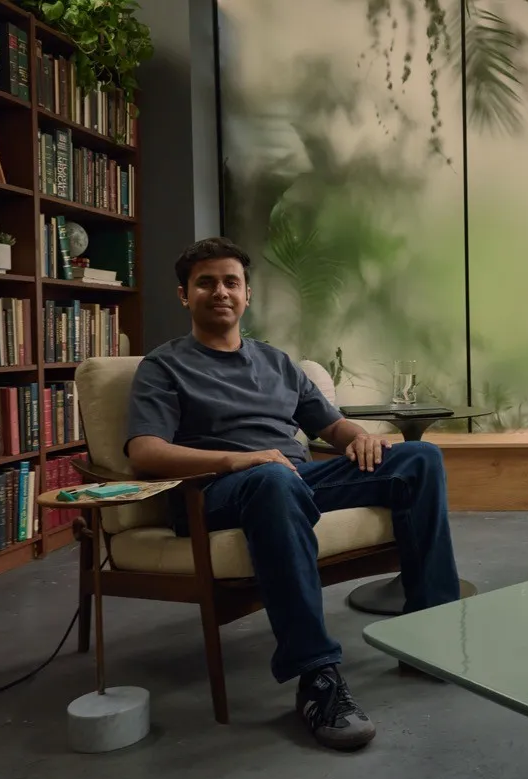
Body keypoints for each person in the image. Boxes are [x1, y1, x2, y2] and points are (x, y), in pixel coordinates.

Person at [124, 237, 461, 752]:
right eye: (206, 283)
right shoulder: (164, 366)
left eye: (231, 282)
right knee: (275, 479)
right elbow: (144, 452)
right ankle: (316, 677)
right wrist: (237, 459)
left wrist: (360, 438)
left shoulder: (276, 362)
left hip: (290, 482)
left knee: (420, 458)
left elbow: (331, 425)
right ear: (184, 295)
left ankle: (428, 633)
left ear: (247, 294)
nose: (220, 292)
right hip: (216, 491)